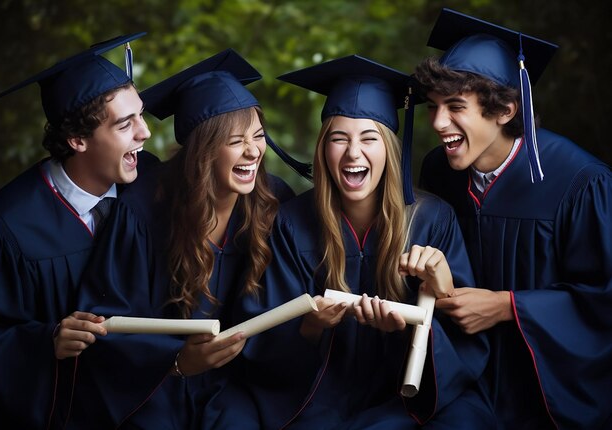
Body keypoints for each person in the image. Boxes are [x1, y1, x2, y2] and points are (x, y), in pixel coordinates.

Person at [211, 55, 495, 429]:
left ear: (390, 150)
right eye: (339, 139)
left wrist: (414, 324)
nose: (353, 153)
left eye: (369, 138)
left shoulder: (432, 219)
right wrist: (311, 327)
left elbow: (464, 343)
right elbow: (262, 338)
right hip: (318, 392)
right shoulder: (291, 223)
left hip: (406, 393)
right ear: (323, 149)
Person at [68, 49, 304, 429]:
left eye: (258, 136)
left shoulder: (272, 202)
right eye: (234, 140)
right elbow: (109, 320)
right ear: (203, 150)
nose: (252, 151)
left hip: (236, 384)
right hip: (154, 385)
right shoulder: (145, 210)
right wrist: (176, 362)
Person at [415, 8, 612, 430]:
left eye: (454, 107)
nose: (437, 122)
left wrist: (508, 306)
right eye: (433, 107)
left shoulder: (579, 182)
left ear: (505, 109)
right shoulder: (439, 173)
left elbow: (603, 296)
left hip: (547, 391)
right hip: (466, 381)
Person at [0, 33, 154, 428]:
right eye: (125, 124)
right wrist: (47, 340)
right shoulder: (8, 225)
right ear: (77, 139)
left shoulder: (153, 188)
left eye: (141, 115)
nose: (144, 133)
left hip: (151, 407)